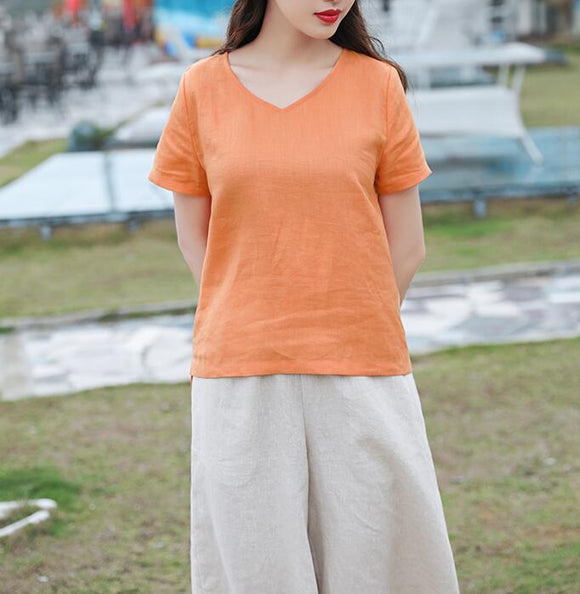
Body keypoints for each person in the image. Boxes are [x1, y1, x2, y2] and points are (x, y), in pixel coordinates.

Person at [147, 1, 461, 592]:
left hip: (363, 366)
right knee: (260, 570)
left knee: (382, 566)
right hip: (240, 370)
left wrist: (347, 324)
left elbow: (409, 245)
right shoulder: (201, 88)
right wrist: (256, 316)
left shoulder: (378, 85)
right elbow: (194, 237)